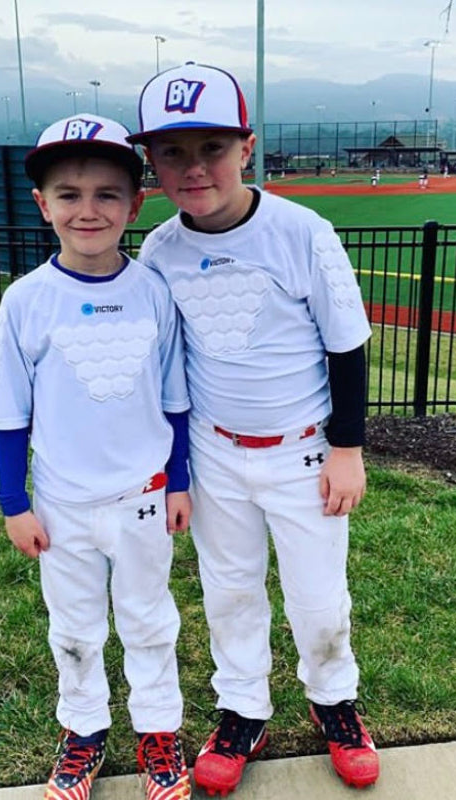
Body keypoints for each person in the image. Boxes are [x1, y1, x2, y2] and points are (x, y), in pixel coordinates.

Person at [126, 62, 380, 796]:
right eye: (172, 151)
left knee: (318, 597)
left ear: (246, 147)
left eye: (212, 147)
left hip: (303, 450)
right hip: (216, 451)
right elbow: (167, 370)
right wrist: (174, 467)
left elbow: (346, 345)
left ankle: (333, 700)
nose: (193, 167)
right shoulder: (160, 250)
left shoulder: (300, 232)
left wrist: (347, 449)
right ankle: (243, 708)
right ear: (151, 163)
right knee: (230, 589)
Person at [0, 113, 193, 800]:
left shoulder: (153, 292)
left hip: (143, 495)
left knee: (148, 617)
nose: (88, 210)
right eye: (68, 194)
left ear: (135, 205)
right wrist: (14, 502)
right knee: (74, 625)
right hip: (61, 504)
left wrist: (179, 481)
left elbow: (174, 399)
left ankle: (158, 730)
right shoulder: (26, 301)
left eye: (108, 194)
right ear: (42, 204)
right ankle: (83, 731)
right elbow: (10, 414)